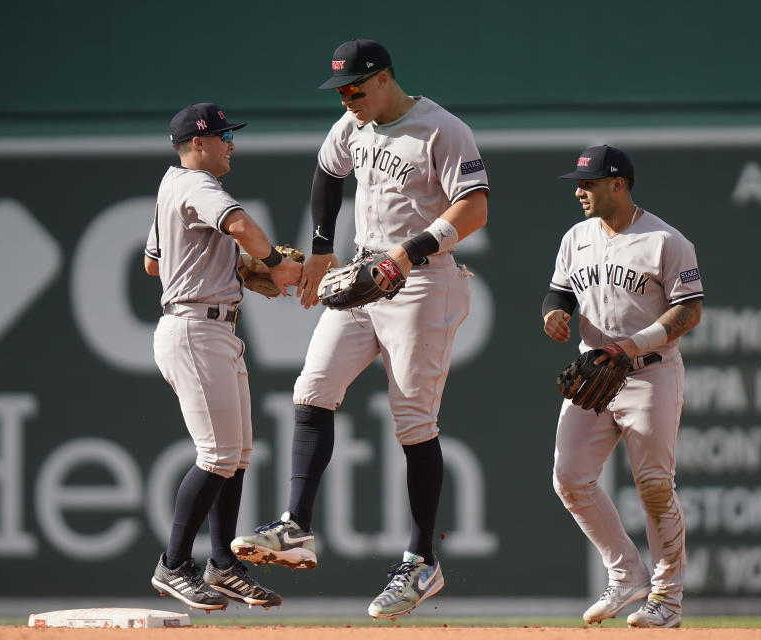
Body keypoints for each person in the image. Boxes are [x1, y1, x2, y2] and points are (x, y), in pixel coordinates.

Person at [231, 39, 489, 619]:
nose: (346, 99)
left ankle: (422, 561)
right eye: (341, 91)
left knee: (413, 420)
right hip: (363, 270)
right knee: (312, 389)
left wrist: (404, 255)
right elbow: (326, 173)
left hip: (423, 279)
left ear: (384, 79)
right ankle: (296, 526)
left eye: (355, 88)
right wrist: (322, 249)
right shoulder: (352, 126)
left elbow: (473, 208)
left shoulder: (440, 129)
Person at [144, 102, 302, 611]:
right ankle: (173, 565)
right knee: (216, 456)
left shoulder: (171, 187)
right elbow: (238, 224)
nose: (231, 143)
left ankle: (223, 565)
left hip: (212, 325)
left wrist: (226, 270)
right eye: (223, 136)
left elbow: (153, 264)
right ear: (197, 143)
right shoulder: (196, 185)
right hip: (195, 328)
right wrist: (274, 264)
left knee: (235, 457)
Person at [542, 145, 702, 628]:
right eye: (578, 183)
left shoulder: (665, 240)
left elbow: (688, 310)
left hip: (651, 372)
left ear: (618, 184)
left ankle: (667, 600)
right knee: (569, 478)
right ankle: (626, 572)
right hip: (595, 371)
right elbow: (561, 290)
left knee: (654, 487)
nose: (579, 191)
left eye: (588, 183)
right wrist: (553, 314)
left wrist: (630, 346)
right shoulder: (576, 237)